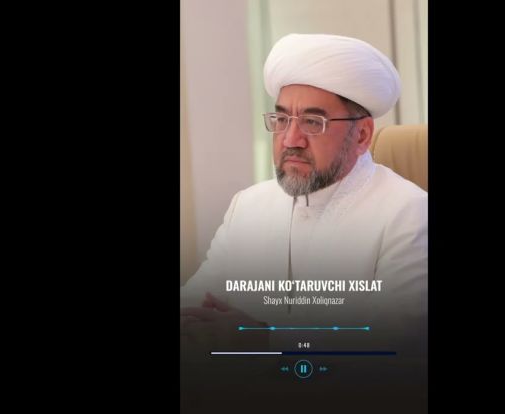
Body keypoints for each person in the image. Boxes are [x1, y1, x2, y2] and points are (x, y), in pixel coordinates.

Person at [180, 33, 427, 355]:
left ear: (362, 135)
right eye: (282, 119)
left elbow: (395, 343)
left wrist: (265, 341)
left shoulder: (409, 214)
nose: (290, 139)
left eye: (312, 122)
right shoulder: (248, 206)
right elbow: (196, 301)